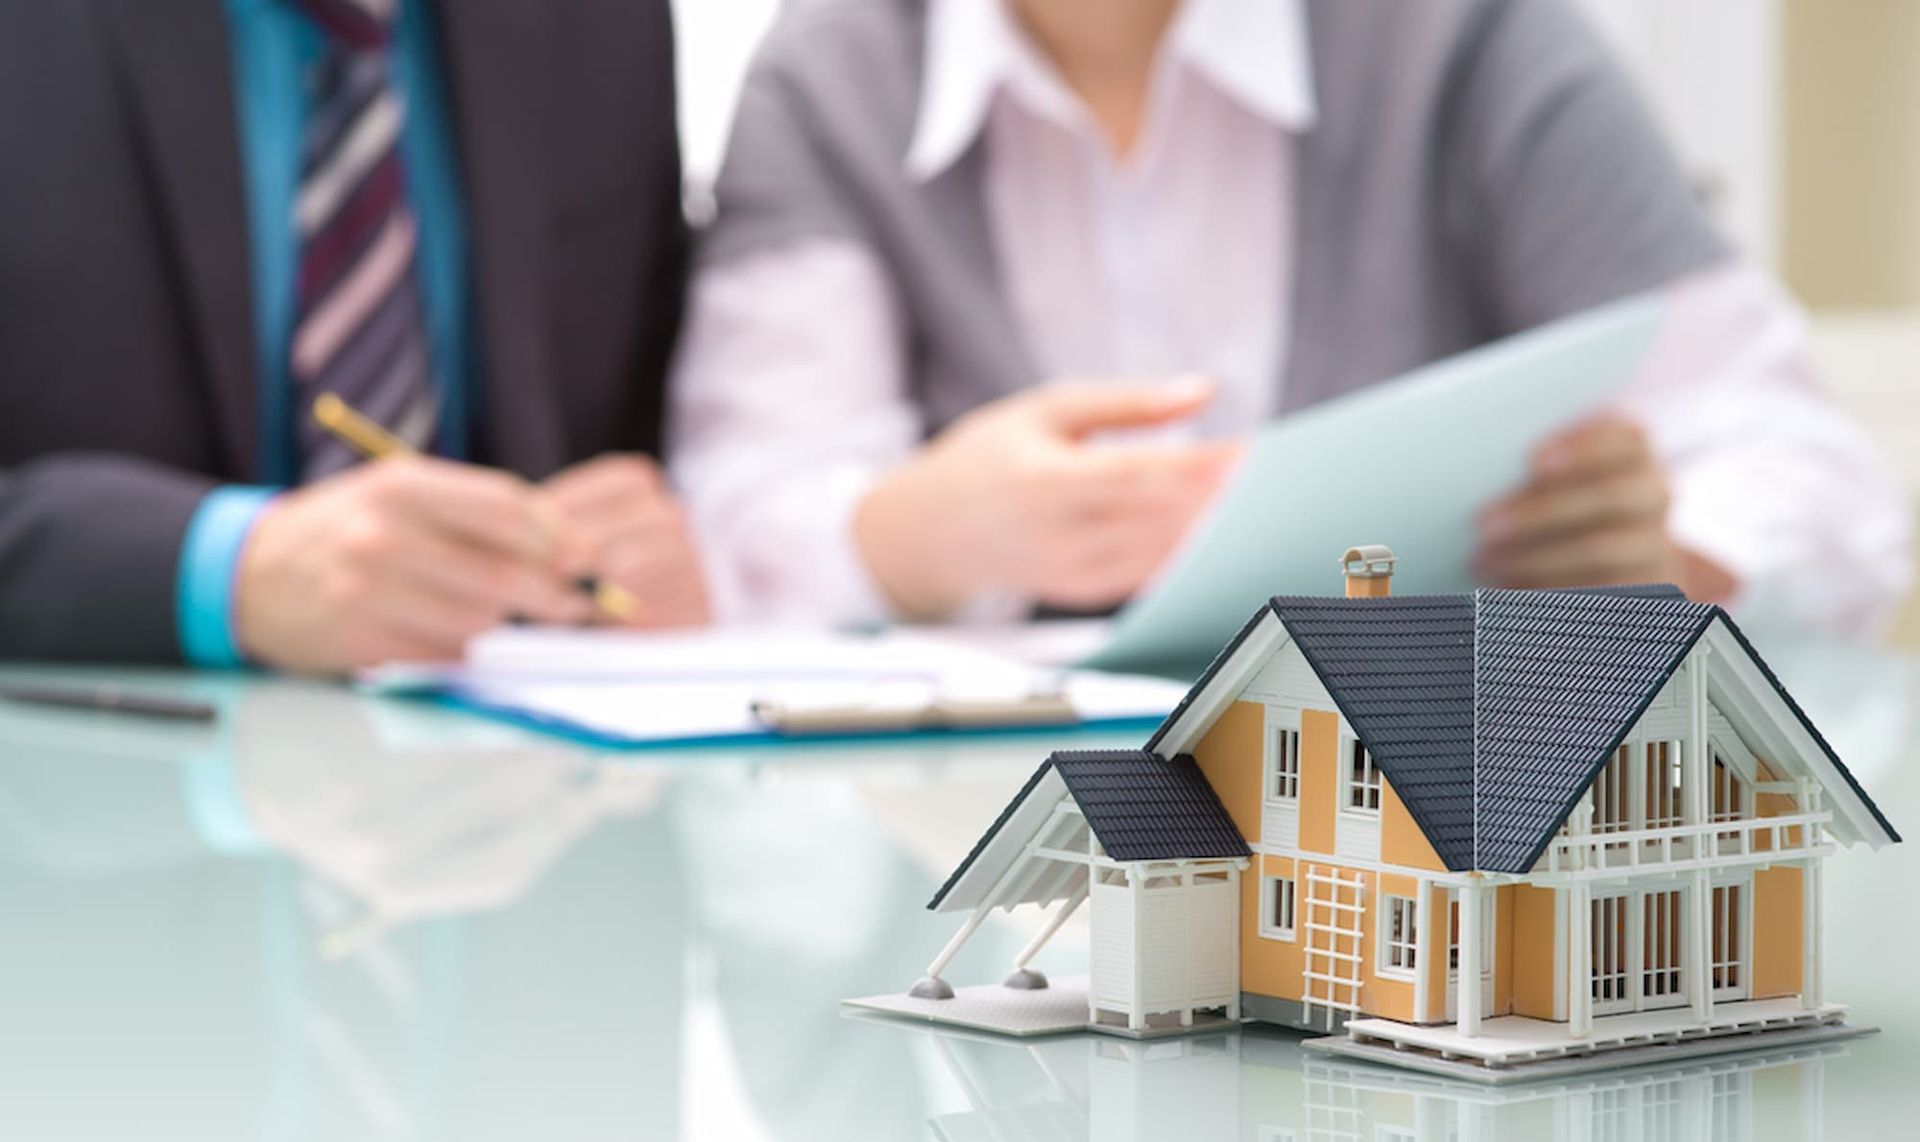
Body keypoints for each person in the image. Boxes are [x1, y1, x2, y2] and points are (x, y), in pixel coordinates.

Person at [670, 0, 1910, 638]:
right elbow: (735, 515)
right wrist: (913, 539)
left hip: (1444, 845)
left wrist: (1670, 561)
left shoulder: (1472, 38)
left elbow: (1798, 467)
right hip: (983, 866)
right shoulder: (823, 78)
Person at [0, 0, 707, 674]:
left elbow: (648, 429)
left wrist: (649, 549)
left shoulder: (609, 27)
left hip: (505, 764)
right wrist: (226, 568)